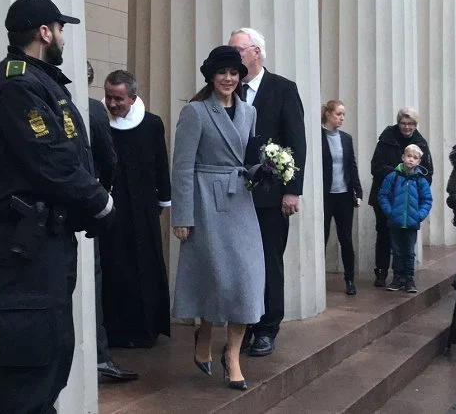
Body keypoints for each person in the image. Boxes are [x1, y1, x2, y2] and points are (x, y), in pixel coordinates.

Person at [0, 0, 115, 411]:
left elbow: (70, 152)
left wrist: (86, 206)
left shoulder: (42, 81)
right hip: (29, 243)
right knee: (32, 359)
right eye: (60, 29)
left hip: (50, 239)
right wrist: (100, 202)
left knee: (53, 351)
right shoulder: (16, 84)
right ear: (44, 33)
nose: (62, 36)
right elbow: (50, 160)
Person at [171, 45, 265, 390]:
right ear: (211, 76)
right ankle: (205, 334)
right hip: (205, 202)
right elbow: (181, 166)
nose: (228, 78)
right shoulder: (195, 112)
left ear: (241, 77)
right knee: (216, 278)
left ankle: (233, 355)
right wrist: (182, 216)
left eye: (234, 73)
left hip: (240, 199)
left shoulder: (249, 112)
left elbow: (245, 157)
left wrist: (265, 169)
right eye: (222, 72)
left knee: (247, 278)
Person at [229, 28, 307, 357]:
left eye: (238, 51)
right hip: (235, 194)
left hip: (271, 195)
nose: (232, 57)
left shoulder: (283, 89)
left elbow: (296, 142)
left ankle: (267, 327)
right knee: (241, 263)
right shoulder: (227, 89)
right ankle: (244, 324)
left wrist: (293, 192)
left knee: (269, 261)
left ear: (257, 53)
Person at [100, 70, 171, 348]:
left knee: (145, 263)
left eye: (118, 98)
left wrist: (163, 199)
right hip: (111, 206)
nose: (112, 103)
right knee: (115, 266)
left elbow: (160, 164)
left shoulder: (152, 123)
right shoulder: (100, 121)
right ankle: (116, 331)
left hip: (143, 207)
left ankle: (146, 329)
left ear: (132, 97)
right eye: (108, 97)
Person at [87, 61, 138, 381]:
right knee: (91, 281)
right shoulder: (92, 111)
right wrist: (102, 197)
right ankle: (98, 357)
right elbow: (109, 162)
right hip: (86, 208)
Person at [368, 107, 433, 288]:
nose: (407, 127)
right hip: (386, 197)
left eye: (411, 123)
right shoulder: (385, 139)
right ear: (398, 123)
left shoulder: (421, 143)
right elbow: (376, 166)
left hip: (409, 201)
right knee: (383, 236)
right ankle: (382, 272)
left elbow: (428, 172)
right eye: (403, 123)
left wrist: (416, 190)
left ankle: (406, 276)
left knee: (407, 243)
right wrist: (397, 173)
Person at [321, 100, 363, 295]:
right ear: (328, 114)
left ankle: (350, 279)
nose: (342, 118)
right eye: (338, 114)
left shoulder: (346, 138)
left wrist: (358, 191)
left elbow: (351, 165)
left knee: (346, 238)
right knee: (323, 236)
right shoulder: (319, 137)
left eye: (343, 114)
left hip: (344, 194)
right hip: (325, 195)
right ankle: (318, 279)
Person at [378, 144, 432, 293]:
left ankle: (409, 278)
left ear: (419, 161)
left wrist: (419, 215)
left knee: (409, 251)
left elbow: (427, 200)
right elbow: (383, 195)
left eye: (415, 158)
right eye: (409, 156)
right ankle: (397, 278)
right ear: (403, 157)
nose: (411, 160)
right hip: (395, 222)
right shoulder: (393, 177)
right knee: (396, 251)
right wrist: (391, 212)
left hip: (412, 223)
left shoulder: (420, 180)